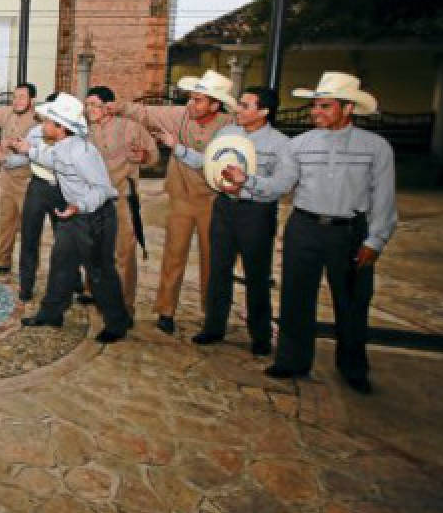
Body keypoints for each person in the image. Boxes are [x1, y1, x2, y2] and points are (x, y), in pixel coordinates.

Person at [266, 72, 396, 394]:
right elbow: (280, 185)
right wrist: (245, 181)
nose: (315, 112)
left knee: (352, 300)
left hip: (350, 232)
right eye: (314, 106)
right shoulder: (298, 146)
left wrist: (375, 240)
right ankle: (292, 360)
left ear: (348, 108)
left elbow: (384, 198)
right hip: (304, 228)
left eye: (324, 106)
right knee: (295, 295)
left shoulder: (376, 148)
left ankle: (353, 367)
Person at [171, 87, 298, 354]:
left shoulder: (281, 144)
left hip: (256, 213)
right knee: (218, 270)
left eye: (245, 105)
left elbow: (282, 185)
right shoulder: (228, 134)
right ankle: (214, 327)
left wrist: (246, 184)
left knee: (257, 275)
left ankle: (260, 336)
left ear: (264, 111)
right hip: (224, 209)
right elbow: (209, 162)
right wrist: (178, 149)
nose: (237, 110)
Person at [119, 70, 235, 334]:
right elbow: (146, 113)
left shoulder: (229, 127)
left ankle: (212, 314)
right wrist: (120, 106)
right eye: (192, 98)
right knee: (173, 256)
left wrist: (177, 146)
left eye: (199, 100)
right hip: (181, 198)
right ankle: (166, 310)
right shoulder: (180, 115)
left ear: (215, 104)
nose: (192, 104)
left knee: (212, 260)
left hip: (212, 201)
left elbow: (214, 162)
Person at [8, 94, 131, 343]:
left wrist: (79, 206)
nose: (43, 125)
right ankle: (52, 313)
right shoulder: (62, 146)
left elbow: (103, 189)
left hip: (96, 217)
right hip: (74, 215)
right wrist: (28, 149)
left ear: (61, 127)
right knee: (61, 263)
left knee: (100, 272)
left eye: (48, 122)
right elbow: (51, 159)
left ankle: (117, 323)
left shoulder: (82, 152)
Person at [84, 86, 159, 321]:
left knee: (124, 254)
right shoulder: (84, 132)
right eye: (87, 105)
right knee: (93, 250)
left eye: (94, 105)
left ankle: (125, 305)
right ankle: (95, 293)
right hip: (94, 200)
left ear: (108, 107)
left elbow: (153, 154)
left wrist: (144, 157)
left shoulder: (131, 127)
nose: (89, 110)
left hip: (123, 199)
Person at [0, 81, 38, 276]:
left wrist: (9, 147)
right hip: (7, 179)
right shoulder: (8, 112)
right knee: (6, 223)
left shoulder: (39, 120)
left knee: (29, 228)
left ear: (32, 100)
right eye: (15, 96)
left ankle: (29, 271)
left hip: (28, 181)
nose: (17, 101)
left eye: (22, 97)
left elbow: (34, 152)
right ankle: (2, 262)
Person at [14, 91, 62, 305]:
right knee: (29, 237)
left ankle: (69, 282)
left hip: (63, 189)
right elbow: (21, 156)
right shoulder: (34, 133)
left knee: (65, 239)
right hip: (38, 187)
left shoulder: (71, 136)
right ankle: (26, 285)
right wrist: (6, 159)